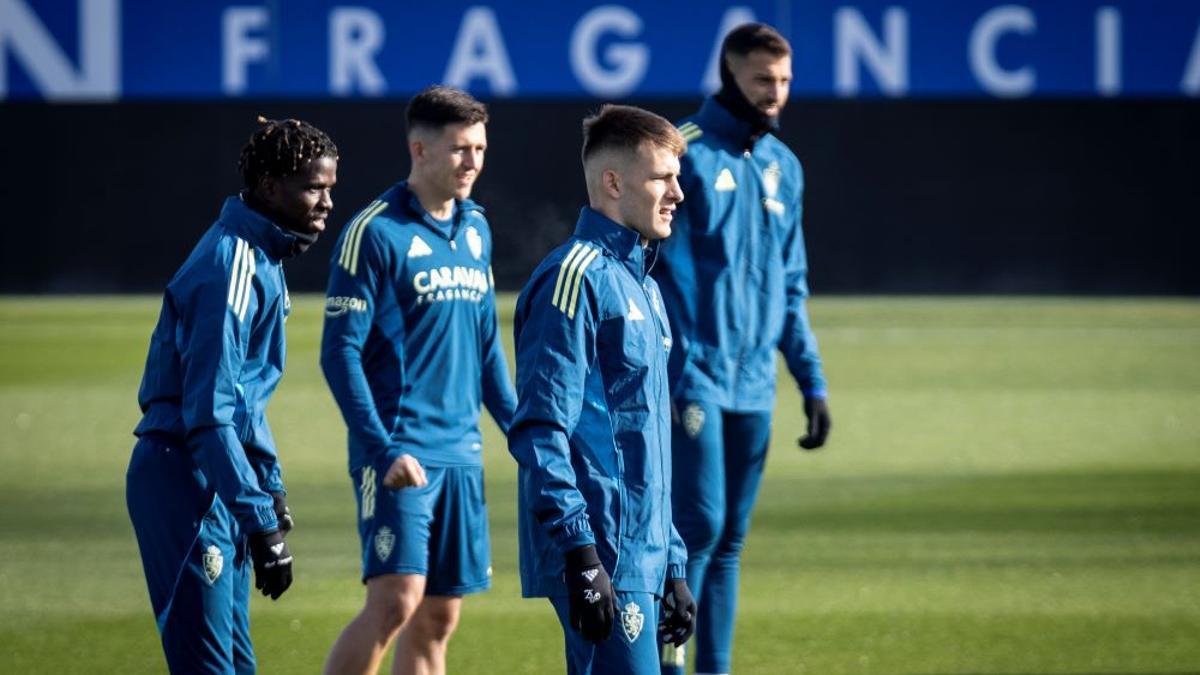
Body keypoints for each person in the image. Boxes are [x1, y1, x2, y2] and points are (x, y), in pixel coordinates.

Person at [651, 23, 833, 675]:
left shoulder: (786, 167)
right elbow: (645, 268)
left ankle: (713, 668)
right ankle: (669, 665)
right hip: (691, 376)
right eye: (763, 80)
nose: (776, 93)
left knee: (729, 540)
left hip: (754, 382)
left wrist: (811, 380)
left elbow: (791, 282)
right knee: (695, 529)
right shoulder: (683, 153)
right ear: (732, 75)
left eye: (784, 80)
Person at [126, 116, 338, 673]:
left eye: (330, 188)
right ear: (270, 187)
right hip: (187, 480)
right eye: (314, 187)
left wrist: (268, 490)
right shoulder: (234, 265)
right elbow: (210, 416)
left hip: (219, 478)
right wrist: (261, 520)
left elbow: (244, 403)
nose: (326, 203)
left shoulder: (262, 255)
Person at [320, 85, 517, 675]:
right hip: (400, 451)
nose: (472, 162)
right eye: (459, 149)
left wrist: (523, 429)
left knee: (438, 618)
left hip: (462, 454)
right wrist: (381, 450)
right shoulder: (375, 234)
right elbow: (340, 354)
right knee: (394, 601)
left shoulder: (477, 229)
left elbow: (486, 350)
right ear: (420, 150)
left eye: (479, 148)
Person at [508, 104, 698, 675]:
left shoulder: (644, 286)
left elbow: (645, 442)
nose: (678, 193)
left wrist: (673, 564)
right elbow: (543, 429)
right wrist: (581, 553)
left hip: (644, 557)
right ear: (613, 182)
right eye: (663, 177)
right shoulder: (576, 278)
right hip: (602, 552)